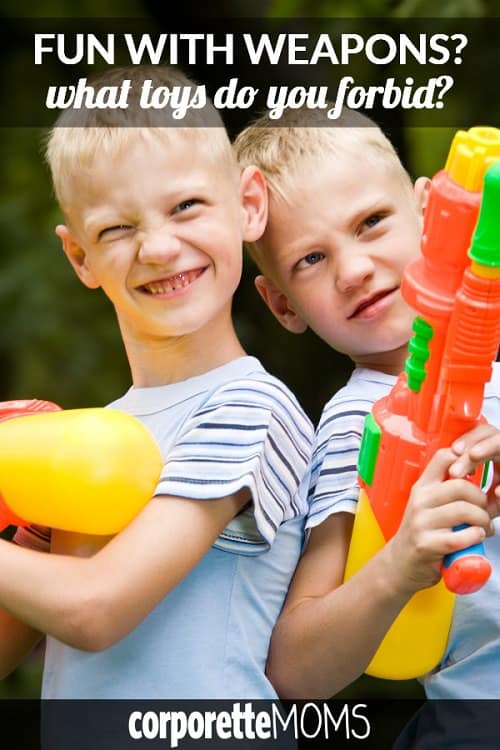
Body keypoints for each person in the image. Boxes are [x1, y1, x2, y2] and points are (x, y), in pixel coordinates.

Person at [0, 65, 314, 700]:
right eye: (118, 228)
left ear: (247, 204)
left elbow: (95, 610)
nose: (160, 247)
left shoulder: (251, 408)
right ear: (80, 257)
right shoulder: (80, 445)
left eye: (186, 206)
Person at [234, 109, 500, 701]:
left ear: (433, 214)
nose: (353, 270)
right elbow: (295, 669)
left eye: (372, 222)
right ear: (282, 305)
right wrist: (400, 561)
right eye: (311, 259)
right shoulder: (360, 424)